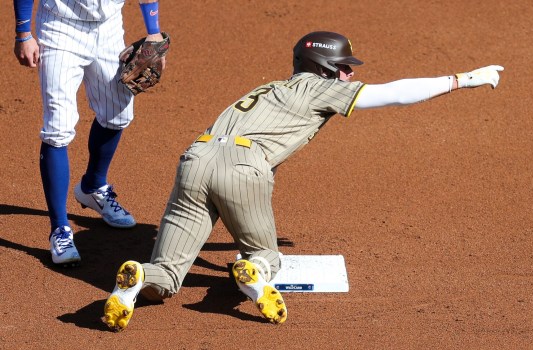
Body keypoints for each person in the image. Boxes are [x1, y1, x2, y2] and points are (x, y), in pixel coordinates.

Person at [101, 31, 504, 331]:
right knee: (265, 255)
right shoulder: (318, 89)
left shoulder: (269, 88)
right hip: (242, 167)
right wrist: (462, 79)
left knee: (167, 276)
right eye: (345, 67)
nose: (349, 73)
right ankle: (255, 272)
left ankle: (136, 278)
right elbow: (394, 94)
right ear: (325, 67)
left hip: (195, 159)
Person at [12, 0, 167, 266]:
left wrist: (153, 31)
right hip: (60, 28)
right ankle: (60, 228)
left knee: (118, 115)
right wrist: (23, 34)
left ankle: (92, 186)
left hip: (108, 29)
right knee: (58, 128)